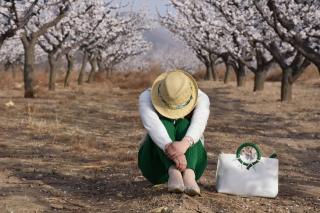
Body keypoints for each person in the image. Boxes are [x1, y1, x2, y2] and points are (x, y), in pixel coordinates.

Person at [138, 70, 210, 195]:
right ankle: (173, 172)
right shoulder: (146, 97)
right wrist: (173, 151)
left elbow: (199, 123)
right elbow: (152, 125)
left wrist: (185, 143)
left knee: (185, 124)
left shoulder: (201, 98)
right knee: (163, 123)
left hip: (193, 165)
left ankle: (189, 175)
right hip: (156, 167)